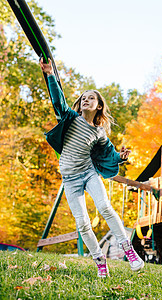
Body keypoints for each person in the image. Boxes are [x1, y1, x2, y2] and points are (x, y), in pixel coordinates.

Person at [40, 58, 144, 277]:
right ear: (80, 103)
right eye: (83, 98)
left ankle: (129, 250)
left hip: (88, 173)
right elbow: (58, 100)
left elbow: (110, 154)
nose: (86, 100)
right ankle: (99, 259)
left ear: (98, 106)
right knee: (83, 224)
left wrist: (121, 158)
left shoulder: (99, 132)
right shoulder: (70, 117)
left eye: (91, 98)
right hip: (69, 179)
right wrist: (50, 74)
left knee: (105, 207)